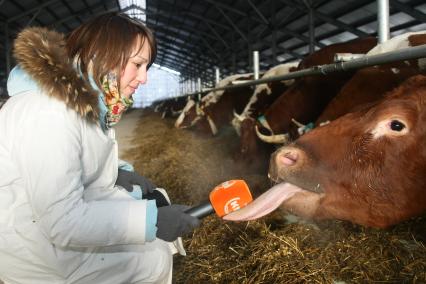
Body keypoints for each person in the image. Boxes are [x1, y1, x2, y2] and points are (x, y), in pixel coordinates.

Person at [0, 12, 200, 283]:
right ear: (104, 57)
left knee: (153, 242)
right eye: (138, 64)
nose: (144, 79)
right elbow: (63, 221)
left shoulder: (80, 102)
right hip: (35, 251)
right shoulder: (49, 112)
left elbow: (70, 158)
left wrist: (118, 173)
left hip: (45, 232)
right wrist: (150, 221)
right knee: (151, 257)